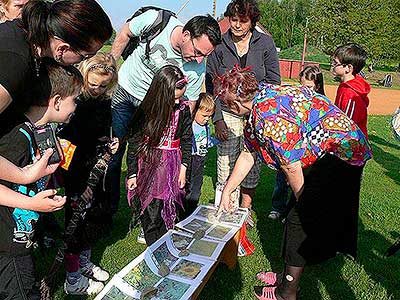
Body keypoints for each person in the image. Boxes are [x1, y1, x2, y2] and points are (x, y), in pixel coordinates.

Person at [215, 66, 372, 300]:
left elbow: (291, 166)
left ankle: (287, 292)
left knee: (298, 221)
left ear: (236, 105)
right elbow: (249, 153)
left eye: (227, 106)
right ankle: (285, 274)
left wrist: (306, 204)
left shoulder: (269, 118)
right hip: (324, 153)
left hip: (343, 154)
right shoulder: (261, 98)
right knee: (294, 215)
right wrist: (228, 190)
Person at [0, 0, 112, 210]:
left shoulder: (26, 39)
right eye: (85, 56)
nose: (81, 63)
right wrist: (22, 175)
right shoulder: (13, 62)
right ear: (62, 48)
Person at [110, 11, 221, 216]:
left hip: (153, 111)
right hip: (125, 92)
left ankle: (146, 208)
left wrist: (178, 131)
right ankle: (108, 208)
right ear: (186, 34)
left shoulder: (198, 66)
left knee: (150, 157)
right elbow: (126, 32)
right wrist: (108, 68)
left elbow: (190, 102)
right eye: (197, 52)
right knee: (115, 152)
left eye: (205, 56)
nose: (198, 60)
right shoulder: (156, 20)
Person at [0, 59, 83, 300]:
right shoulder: (17, 137)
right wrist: (33, 204)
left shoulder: (37, 130)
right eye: (74, 99)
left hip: (18, 235)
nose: (77, 106)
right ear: (56, 101)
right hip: (7, 243)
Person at [206, 0, 280, 215]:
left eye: (243, 21)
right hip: (227, 110)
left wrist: (263, 113)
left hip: (255, 111)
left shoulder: (265, 43)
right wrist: (217, 118)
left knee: (252, 163)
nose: (237, 25)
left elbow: (274, 81)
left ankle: (244, 211)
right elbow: (212, 82)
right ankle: (225, 207)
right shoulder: (219, 44)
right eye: (233, 20)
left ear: (252, 21)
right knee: (225, 162)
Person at [59, 53, 118, 295]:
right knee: (75, 219)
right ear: (84, 78)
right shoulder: (76, 103)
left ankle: (84, 262)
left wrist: (111, 143)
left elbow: (104, 132)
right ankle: (72, 278)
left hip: (96, 168)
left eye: (103, 85)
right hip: (76, 170)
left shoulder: (105, 102)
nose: (97, 89)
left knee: (92, 215)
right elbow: (68, 138)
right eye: (93, 84)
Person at [126, 65, 193, 246]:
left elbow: (187, 139)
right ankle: (152, 244)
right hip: (149, 166)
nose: (178, 102)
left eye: (181, 96)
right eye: (175, 98)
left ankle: (164, 245)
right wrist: (132, 173)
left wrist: (184, 169)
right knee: (151, 209)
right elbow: (134, 144)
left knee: (169, 208)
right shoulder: (145, 112)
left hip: (172, 167)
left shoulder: (183, 110)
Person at [268, 65, 326, 221]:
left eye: (308, 87)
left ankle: (293, 212)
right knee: (282, 178)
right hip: (291, 148)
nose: (304, 90)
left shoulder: (322, 104)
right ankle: (277, 207)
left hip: (309, 153)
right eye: (301, 85)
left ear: (318, 86)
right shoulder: (295, 99)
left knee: (301, 184)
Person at [183, 92, 218, 218]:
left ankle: (191, 212)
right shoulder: (190, 125)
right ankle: (181, 213)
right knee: (186, 186)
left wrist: (218, 140)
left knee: (196, 187)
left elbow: (207, 142)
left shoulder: (206, 126)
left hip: (200, 161)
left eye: (209, 116)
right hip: (190, 159)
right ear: (195, 110)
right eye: (204, 115)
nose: (207, 119)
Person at [332, 43, 370, 138]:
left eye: (335, 63)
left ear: (348, 68)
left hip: (351, 144)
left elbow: (348, 125)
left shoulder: (350, 93)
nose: (332, 65)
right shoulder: (345, 86)